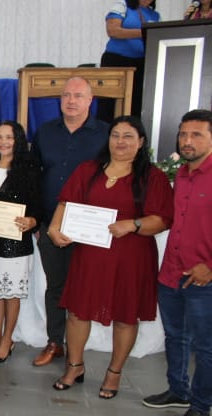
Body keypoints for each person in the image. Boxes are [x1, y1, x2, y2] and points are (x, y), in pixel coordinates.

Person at [48, 116, 173, 398]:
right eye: (115, 135)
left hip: (131, 257)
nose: (120, 141)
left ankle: (114, 373)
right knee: (78, 312)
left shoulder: (153, 177)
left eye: (128, 136)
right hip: (89, 255)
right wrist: (55, 228)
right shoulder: (88, 170)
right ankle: (75, 365)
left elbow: (163, 219)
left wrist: (134, 224)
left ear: (141, 142)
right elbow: (67, 202)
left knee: (126, 316)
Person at [143, 109, 212, 416]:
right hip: (171, 271)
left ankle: (201, 406)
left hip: (204, 278)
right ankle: (178, 390)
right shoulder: (182, 174)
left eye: (196, 134)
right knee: (175, 336)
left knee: (205, 347)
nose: (187, 140)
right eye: (183, 134)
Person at [32, 77, 109, 367]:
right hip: (51, 224)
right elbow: (35, 176)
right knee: (55, 286)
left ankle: (78, 349)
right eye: (66, 95)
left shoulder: (105, 134)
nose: (71, 101)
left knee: (83, 287)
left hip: (89, 226)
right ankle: (55, 342)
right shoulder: (45, 132)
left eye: (78, 95)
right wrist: (39, 221)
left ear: (91, 100)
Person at [0, 121, 41, 363]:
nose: (3, 141)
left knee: (10, 294)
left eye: (9, 137)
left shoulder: (28, 168)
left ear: (18, 140)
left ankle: (7, 339)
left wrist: (33, 220)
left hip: (15, 242)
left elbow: (38, 204)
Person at [98, 0, 160, 121]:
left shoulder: (155, 15)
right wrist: (144, 32)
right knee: (108, 105)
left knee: (135, 106)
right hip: (116, 62)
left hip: (142, 64)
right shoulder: (122, 5)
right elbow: (112, 30)